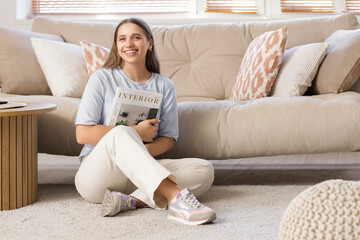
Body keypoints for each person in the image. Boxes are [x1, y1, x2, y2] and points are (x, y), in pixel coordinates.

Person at [74, 18, 216, 225]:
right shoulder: (102, 78)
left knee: (203, 170)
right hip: (98, 176)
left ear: (149, 43)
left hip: (139, 174)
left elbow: (168, 139)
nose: (128, 44)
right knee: (121, 132)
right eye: (122, 39)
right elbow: (82, 134)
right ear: (116, 46)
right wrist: (135, 134)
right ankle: (176, 199)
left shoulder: (164, 85)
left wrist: (134, 154)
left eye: (136, 37)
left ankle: (130, 201)